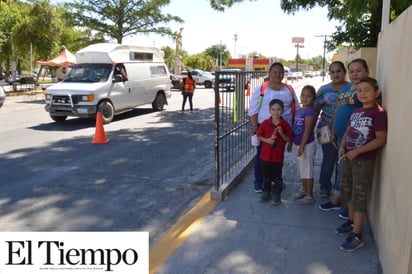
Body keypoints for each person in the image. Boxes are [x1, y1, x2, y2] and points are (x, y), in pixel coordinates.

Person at [335, 77, 387, 252]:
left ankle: (357, 234)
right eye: (360, 90)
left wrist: (358, 151)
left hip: (364, 161)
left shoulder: (378, 113)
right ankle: (351, 223)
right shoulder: (356, 111)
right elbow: (349, 131)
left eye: (367, 90)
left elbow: (380, 139)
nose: (362, 93)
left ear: (377, 93)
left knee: (359, 196)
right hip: (349, 158)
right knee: (348, 191)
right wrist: (342, 146)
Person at [319, 58, 371, 219]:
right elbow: (338, 107)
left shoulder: (366, 89)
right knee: (338, 165)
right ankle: (339, 199)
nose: (355, 74)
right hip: (339, 134)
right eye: (352, 71)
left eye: (359, 71)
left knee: (344, 170)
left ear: (367, 71)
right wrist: (333, 128)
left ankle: (338, 201)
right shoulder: (347, 87)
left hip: (354, 137)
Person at [248, 62, 300, 193]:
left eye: (280, 72)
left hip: (283, 129)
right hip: (265, 128)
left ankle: (276, 180)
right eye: (275, 72)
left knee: (277, 157)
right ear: (270, 73)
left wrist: (293, 130)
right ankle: (259, 182)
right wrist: (254, 125)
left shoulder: (289, 90)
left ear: (284, 74)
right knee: (262, 155)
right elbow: (253, 108)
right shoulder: (262, 88)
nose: (278, 74)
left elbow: (297, 109)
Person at [314, 61, 351, 198]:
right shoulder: (324, 90)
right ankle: (324, 186)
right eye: (333, 72)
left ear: (344, 72)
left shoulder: (351, 88)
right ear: (329, 74)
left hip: (345, 127)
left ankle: (338, 189)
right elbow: (315, 110)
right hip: (325, 127)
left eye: (339, 71)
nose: (336, 74)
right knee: (328, 158)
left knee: (341, 160)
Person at [256, 99, 292, 205]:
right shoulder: (265, 123)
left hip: (277, 157)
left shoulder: (284, 125)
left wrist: (282, 133)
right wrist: (267, 140)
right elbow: (259, 135)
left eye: (279, 109)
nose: (276, 112)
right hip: (265, 156)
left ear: (282, 110)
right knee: (266, 176)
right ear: (269, 111)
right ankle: (266, 192)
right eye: (273, 109)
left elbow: (289, 140)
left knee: (277, 177)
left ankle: (277, 195)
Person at [293, 85, 317, 205]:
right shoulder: (299, 111)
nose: (305, 98)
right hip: (299, 144)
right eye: (303, 95)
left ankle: (309, 196)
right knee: (302, 170)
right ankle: (304, 190)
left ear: (313, 98)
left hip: (307, 145)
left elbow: (307, 130)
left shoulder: (310, 112)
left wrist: (302, 146)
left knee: (308, 170)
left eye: (308, 96)